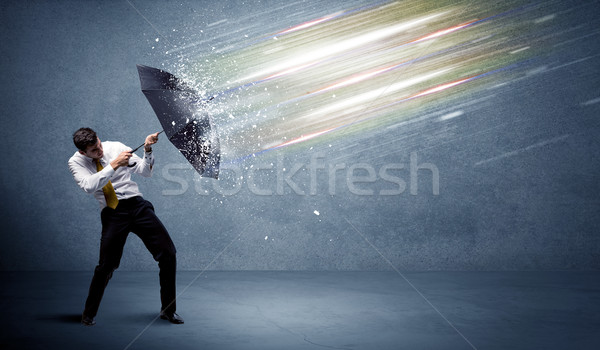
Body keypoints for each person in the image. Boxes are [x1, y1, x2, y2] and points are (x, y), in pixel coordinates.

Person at [68, 127, 183, 326]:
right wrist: (113, 165)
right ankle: (88, 314)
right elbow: (88, 186)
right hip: (113, 213)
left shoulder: (116, 147)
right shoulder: (75, 162)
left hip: (136, 205)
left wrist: (147, 150)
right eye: (94, 151)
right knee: (106, 266)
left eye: (99, 145)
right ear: (82, 152)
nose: (100, 151)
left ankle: (168, 310)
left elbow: (145, 172)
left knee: (168, 253)